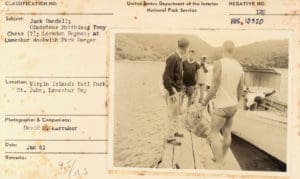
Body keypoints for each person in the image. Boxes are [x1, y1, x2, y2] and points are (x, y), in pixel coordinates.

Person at [199, 41, 244, 163]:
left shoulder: (219, 63)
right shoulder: (239, 67)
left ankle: (218, 162)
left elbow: (214, 87)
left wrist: (203, 103)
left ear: (222, 49)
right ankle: (221, 157)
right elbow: (241, 89)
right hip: (233, 105)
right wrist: (235, 103)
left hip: (221, 106)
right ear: (233, 50)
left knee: (213, 133)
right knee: (227, 132)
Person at [162, 38, 189, 145]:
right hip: (172, 91)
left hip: (176, 91)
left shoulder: (178, 58)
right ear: (186, 48)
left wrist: (180, 90)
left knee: (176, 113)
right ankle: (169, 137)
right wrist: (172, 92)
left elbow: (177, 76)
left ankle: (174, 132)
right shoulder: (173, 58)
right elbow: (166, 77)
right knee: (171, 114)